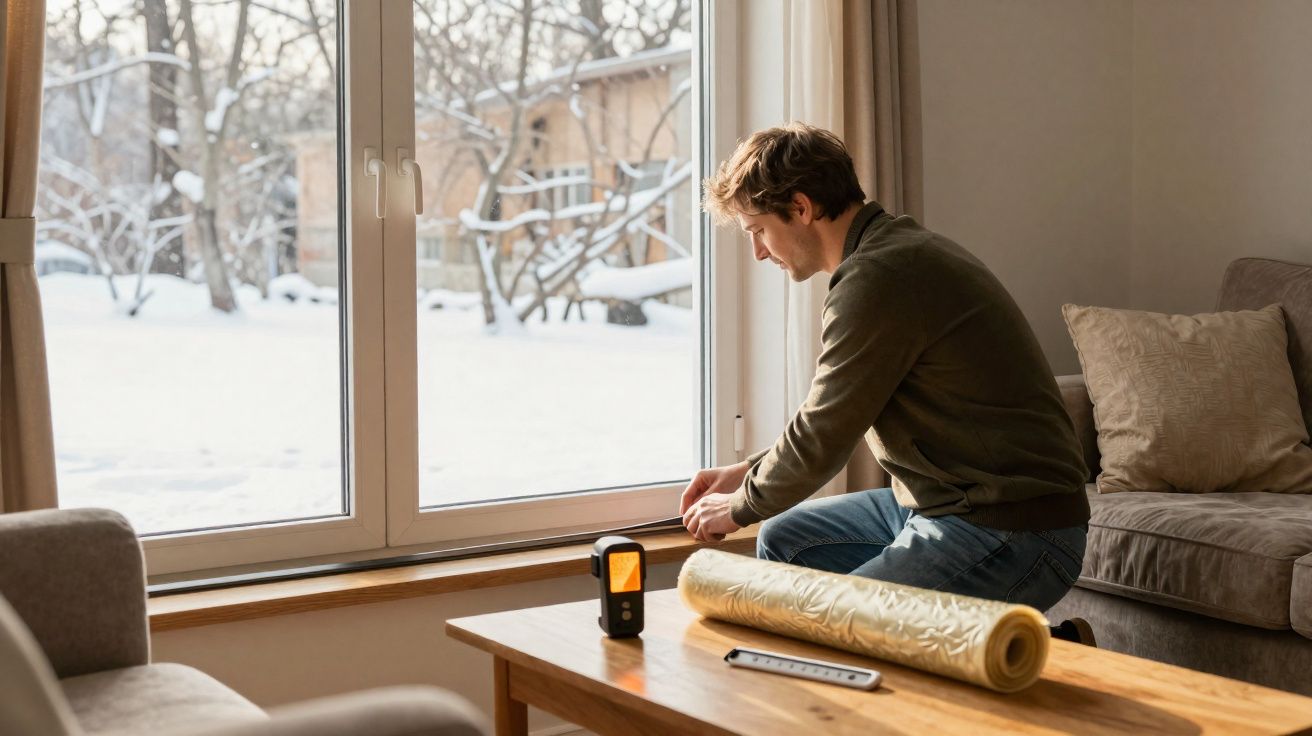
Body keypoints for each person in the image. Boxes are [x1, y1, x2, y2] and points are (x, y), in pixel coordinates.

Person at [680, 122, 1093, 637]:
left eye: (758, 230)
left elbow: (826, 435)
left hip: (1015, 527)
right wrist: (747, 470)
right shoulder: (887, 256)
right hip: (942, 503)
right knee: (788, 542)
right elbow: (831, 412)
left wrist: (740, 508)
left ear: (801, 208)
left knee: (843, 630)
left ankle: (1034, 658)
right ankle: (1040, 648)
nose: (759, 251)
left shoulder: (880, 277)